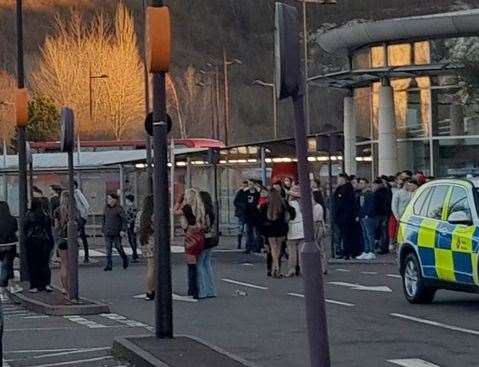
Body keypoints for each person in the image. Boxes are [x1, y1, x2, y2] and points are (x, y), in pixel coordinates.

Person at [180, 189, 206, 299]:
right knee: (198, 264)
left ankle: (193, 289)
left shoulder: (186, 209)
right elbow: (203, 225)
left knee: (191, 266)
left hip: (190, 240)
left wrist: (179, 200)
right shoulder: (201, 209)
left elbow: (184, 225)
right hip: (199, 238)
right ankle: (199, 289)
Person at [24, 198, 54, 293]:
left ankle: (34, 286)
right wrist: (51, 242)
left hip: (32, 241)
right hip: (44, 241)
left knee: (33, 264)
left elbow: (25, 228)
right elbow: (49, 230)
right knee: (44, 264)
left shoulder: (29, 215)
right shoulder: (45, 215)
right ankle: (46, 284)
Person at [53, 191, 77, 294]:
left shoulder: (57, 211)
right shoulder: (75, 211)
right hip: (72, 239)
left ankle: (64, 288)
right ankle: (72, 287)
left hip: (61, 239)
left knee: (64, 264)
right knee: (72, 265)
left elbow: (56, 227)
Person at [263, 189, 289, 278]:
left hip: (270, 229)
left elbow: (260, 217)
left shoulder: (266, 205)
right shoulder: (282, 204)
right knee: (278, 248)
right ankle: (276, 266)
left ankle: (276, 266)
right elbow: (291, 213)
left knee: (272, 248)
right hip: (281, 228)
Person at [197, 191, 217, 299]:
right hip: (210, 238)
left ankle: (202, 290)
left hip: (202, 238)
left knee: (199, 264)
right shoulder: (211, 210)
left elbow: (203, 225)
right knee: (207, 263)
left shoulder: (202, 210)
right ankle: (211, 290)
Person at [102, 193, 129, 271]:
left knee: (118, 247)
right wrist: (103, 228)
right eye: (108, 199)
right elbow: (103, 219)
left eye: (110, 199)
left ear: (115, 200)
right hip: (107, 231)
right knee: (108, 249)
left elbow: (124, 220)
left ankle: (125, 259)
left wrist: (123, 230)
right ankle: (109, 265)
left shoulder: (119, 208)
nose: (108, 200)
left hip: (117, 232)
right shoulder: (106, 208)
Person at [332, 174, 356, 260]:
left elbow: (340, 202)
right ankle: (346, 251)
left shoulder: (346, 189)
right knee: (344, 235)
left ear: (344, 179)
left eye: (340, 179)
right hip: (342, 216)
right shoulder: (341, 188)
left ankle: (347, 252)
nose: (338, 180)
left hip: (345, 216)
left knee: (346, 235)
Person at [136, 195, 155, 300]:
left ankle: (150, 290)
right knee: (154, 268)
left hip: (144, 241)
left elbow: (136, 228)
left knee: (150, 267)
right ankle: (151, 290)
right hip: (154, 241)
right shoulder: (155, 214)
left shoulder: (140, 214)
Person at [356, 179, 379, 260]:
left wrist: (367, 214)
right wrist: (359, 215)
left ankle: (372, 252)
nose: (360, 184)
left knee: (370, 235)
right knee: (364, 235)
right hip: (362, 216)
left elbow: (371, 206)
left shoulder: (370, 194)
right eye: (360, 183)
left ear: (367, 184)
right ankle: (366, 251)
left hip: (369, 217)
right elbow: (360, 206)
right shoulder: (360, 194)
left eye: (362, 183)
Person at [0, 202, 18, 301]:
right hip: (10, 245)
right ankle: (9, 286)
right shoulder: (12, 219)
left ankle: (3, 289)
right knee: (7, 265)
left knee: (3, 267)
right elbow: (15, 230)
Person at [287, 185, 304, 277]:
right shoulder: (303, 203)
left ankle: (292, 269)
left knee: (292, 250)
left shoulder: (288, 204)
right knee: (301, 250)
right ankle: (302, 268)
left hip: (292, 227)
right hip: (302, 227)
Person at [74, 181, 90, 263]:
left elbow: (86, 204)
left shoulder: (77, 192)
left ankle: (84, 255)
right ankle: (86, 256)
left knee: (76, 234)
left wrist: (83, 215)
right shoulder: (73, 193)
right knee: (82, 236)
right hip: (78, 217)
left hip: (80, 217)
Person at [375, 178, 393, 254]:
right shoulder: (386, 191)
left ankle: (383, 247)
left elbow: (385, 203)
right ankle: (383, 246)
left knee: (383, 231)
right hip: (384, 213)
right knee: (383, 231)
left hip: (382, 214)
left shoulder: (382, 192)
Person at [244, 180, 260, 254]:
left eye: (252, 184)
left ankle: (256, 247)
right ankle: (248, 247)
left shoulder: (257, 194)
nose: (251, 185)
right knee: (249, 232)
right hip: (249, 215)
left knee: (257, 232)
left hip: (256, 215)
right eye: (250, 184)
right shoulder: (246, 193)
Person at [312, 195, 328, 274]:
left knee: (319, 247)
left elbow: (316, 218)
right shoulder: (317, 206)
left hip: (317, 226)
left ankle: (322, 267)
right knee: (320, 247)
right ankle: (322, 266)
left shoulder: (317, 207)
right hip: (318, 226)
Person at [233, 181, 248, 250]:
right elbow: (235, 202)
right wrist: (243, 206)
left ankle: (246, 244)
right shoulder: (240, 192)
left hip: (246, 213)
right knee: (241, 228)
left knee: (245, 229)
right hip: (241, 213)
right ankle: (239, 244)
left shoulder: (249, 193)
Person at [125, 194, 139, 262]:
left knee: (132, 240)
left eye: (126, 200)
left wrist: (129, 223)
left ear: (129, 200)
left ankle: (135, 254)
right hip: (130, 225)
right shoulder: (130, 207)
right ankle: (134, 254)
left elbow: (133, 217)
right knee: (131, 240)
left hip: (131, 225)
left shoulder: (133, 207)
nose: (126, 201)